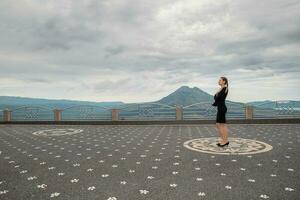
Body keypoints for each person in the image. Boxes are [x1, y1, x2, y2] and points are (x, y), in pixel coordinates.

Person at [212, 77, 229, 147]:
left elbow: (218, 98)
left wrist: (216, 97)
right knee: (219, 125)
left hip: (222, 108)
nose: (218, 81)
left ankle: (225, 141)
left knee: (222, 125)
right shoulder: (222, 88)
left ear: (224, 82)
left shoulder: (224, 88)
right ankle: (224, 139)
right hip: (220, 108)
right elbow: (217, 98)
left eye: (220, 80)